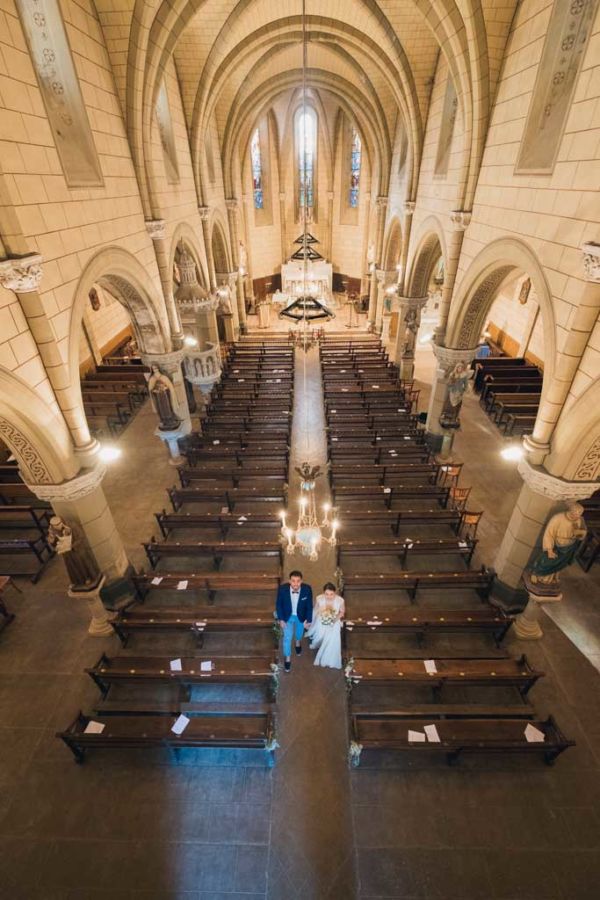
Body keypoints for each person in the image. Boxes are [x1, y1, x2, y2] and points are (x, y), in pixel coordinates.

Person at [275, 570, 313, 672]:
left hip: (301, 616)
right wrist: (281, 619)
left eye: (298, 581)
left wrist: (308, 620)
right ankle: (287, 658)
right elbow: (279, 605)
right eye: (293, 581)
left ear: (301, 581)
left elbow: (309, 606)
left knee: (299, 633)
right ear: (289, 581)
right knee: (287, 638)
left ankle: (297, 642)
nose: (295, 584)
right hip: (287, 616)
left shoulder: (307, 589)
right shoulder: (282, 589)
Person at [307, 582, 344, 670]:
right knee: (320, 635)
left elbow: (341, 613)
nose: (329, 596)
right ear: (324, 593)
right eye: (326, 594)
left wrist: (333, 621)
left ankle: (329, 656)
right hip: (322, 620)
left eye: (331, 594)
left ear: (335, 593)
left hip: (334, 622)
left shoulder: (340, 600)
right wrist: (310, 621)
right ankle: (319, 642)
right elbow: (315, 610)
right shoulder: (319, 599)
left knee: (332, 639)